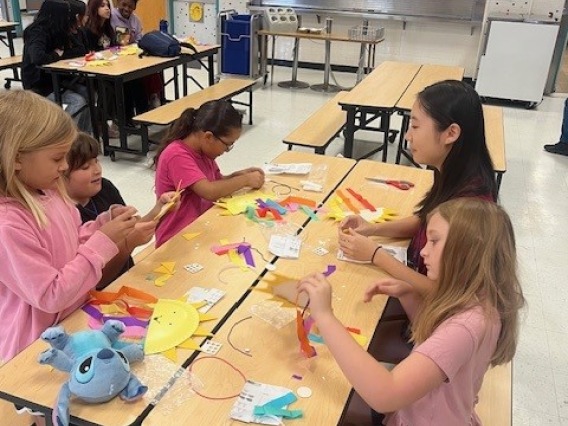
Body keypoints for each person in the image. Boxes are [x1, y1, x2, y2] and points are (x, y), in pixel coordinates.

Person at [298, 198, 524, 425]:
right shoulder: (481, 302)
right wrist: (409, 296)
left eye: (434, 241)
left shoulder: (466, 326)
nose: (424, 251)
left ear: (469, 251)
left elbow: (386, 395)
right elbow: (438, 348)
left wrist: (325, 317)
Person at [0, 90, 142, 365]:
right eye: (57, 159)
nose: (65, 166)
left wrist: (103, 225)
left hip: (74, 321)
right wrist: (102, 242)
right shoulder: (8, 226)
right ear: (16, 158)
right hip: (38, 347)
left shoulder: (51, 193)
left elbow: (72, 243)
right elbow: (50, 295)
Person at [339, 80, 497, 298]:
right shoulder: (453, 173)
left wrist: (376, 255)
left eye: (415, 126)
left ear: (451, 134)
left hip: (427, 313)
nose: (407, 136)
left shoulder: (470, 204)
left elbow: (443, 293)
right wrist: (372, 229)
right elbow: (425, 222)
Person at [64, 132, 178, 288]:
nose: (97, 170)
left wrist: (160, 209)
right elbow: (98, 281)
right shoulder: (66, 216)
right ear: (60, 176)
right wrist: (129, 244)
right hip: (98, 295)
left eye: (96, 161)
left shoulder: (105, 188)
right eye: (85, 167)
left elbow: (131, 228)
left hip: (125, 279)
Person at [153, 100, 265, 247]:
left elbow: (217, 182)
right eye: (227, 144)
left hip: (200, 227)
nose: (226, 150)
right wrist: (244, 180)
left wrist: (238, 175)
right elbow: (209, 191)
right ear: (208, 137)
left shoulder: (204, 151)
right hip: (177, 237)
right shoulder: (177, 155)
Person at [21, 0, 92, 133]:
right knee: (78, 102)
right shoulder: (37, 31)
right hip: (39, 84)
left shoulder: (59, 30)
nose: (69, 19)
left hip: (58, 80)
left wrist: (61, 53)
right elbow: (38, 57)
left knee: (88, 92)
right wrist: (56, 55)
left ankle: (83, 137)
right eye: (67, 15)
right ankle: (65, 137)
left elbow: (81, 50)